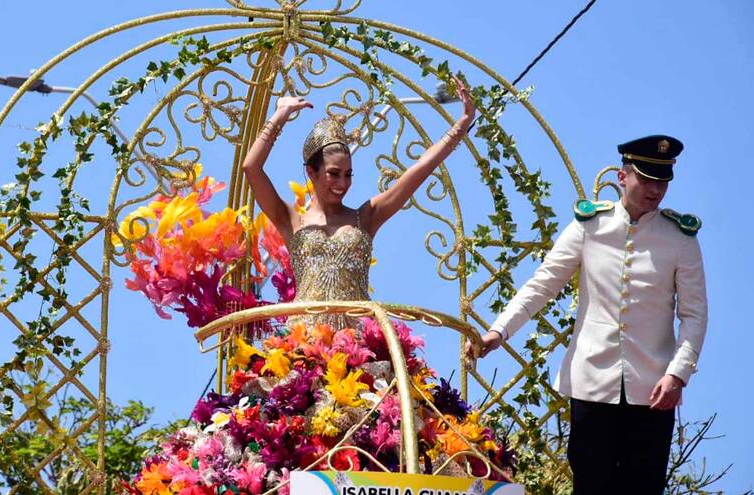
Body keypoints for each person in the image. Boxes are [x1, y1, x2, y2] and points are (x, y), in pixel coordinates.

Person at [465, 135, 708, 494]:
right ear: (623, 177)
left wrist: (677, 374)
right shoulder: (589, 226)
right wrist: (498, 331)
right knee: (590, 485)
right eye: (646, 179)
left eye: (663, 181)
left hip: (654, 390)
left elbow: (694, 315)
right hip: (592, 382)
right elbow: (542, 285)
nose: (655, 190)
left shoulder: (681, 239)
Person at [242, 76, 475, 328]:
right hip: (304, 340)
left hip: (357, 339)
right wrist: (281, 114)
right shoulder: (290, 219)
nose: (342, 183)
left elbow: (421, 168)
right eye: (334, 174)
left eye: (348, 174)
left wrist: (462, 124)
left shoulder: (365, 216)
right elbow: (251, 167)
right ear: (311, 172)